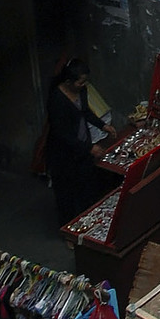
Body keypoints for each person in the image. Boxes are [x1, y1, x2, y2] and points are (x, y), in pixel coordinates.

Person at [43, 57, 109, 225]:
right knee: (67, 196)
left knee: (87, 188)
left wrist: (102, 125)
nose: (83, 85)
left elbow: (85, 112)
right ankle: (68, 231)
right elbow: (62, 134)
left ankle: (87, 225)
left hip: (82, 148)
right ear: (68, 82)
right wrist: (89, 148)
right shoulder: (57, 100)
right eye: (80, 82)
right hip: (63, 155)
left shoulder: (81, 91)